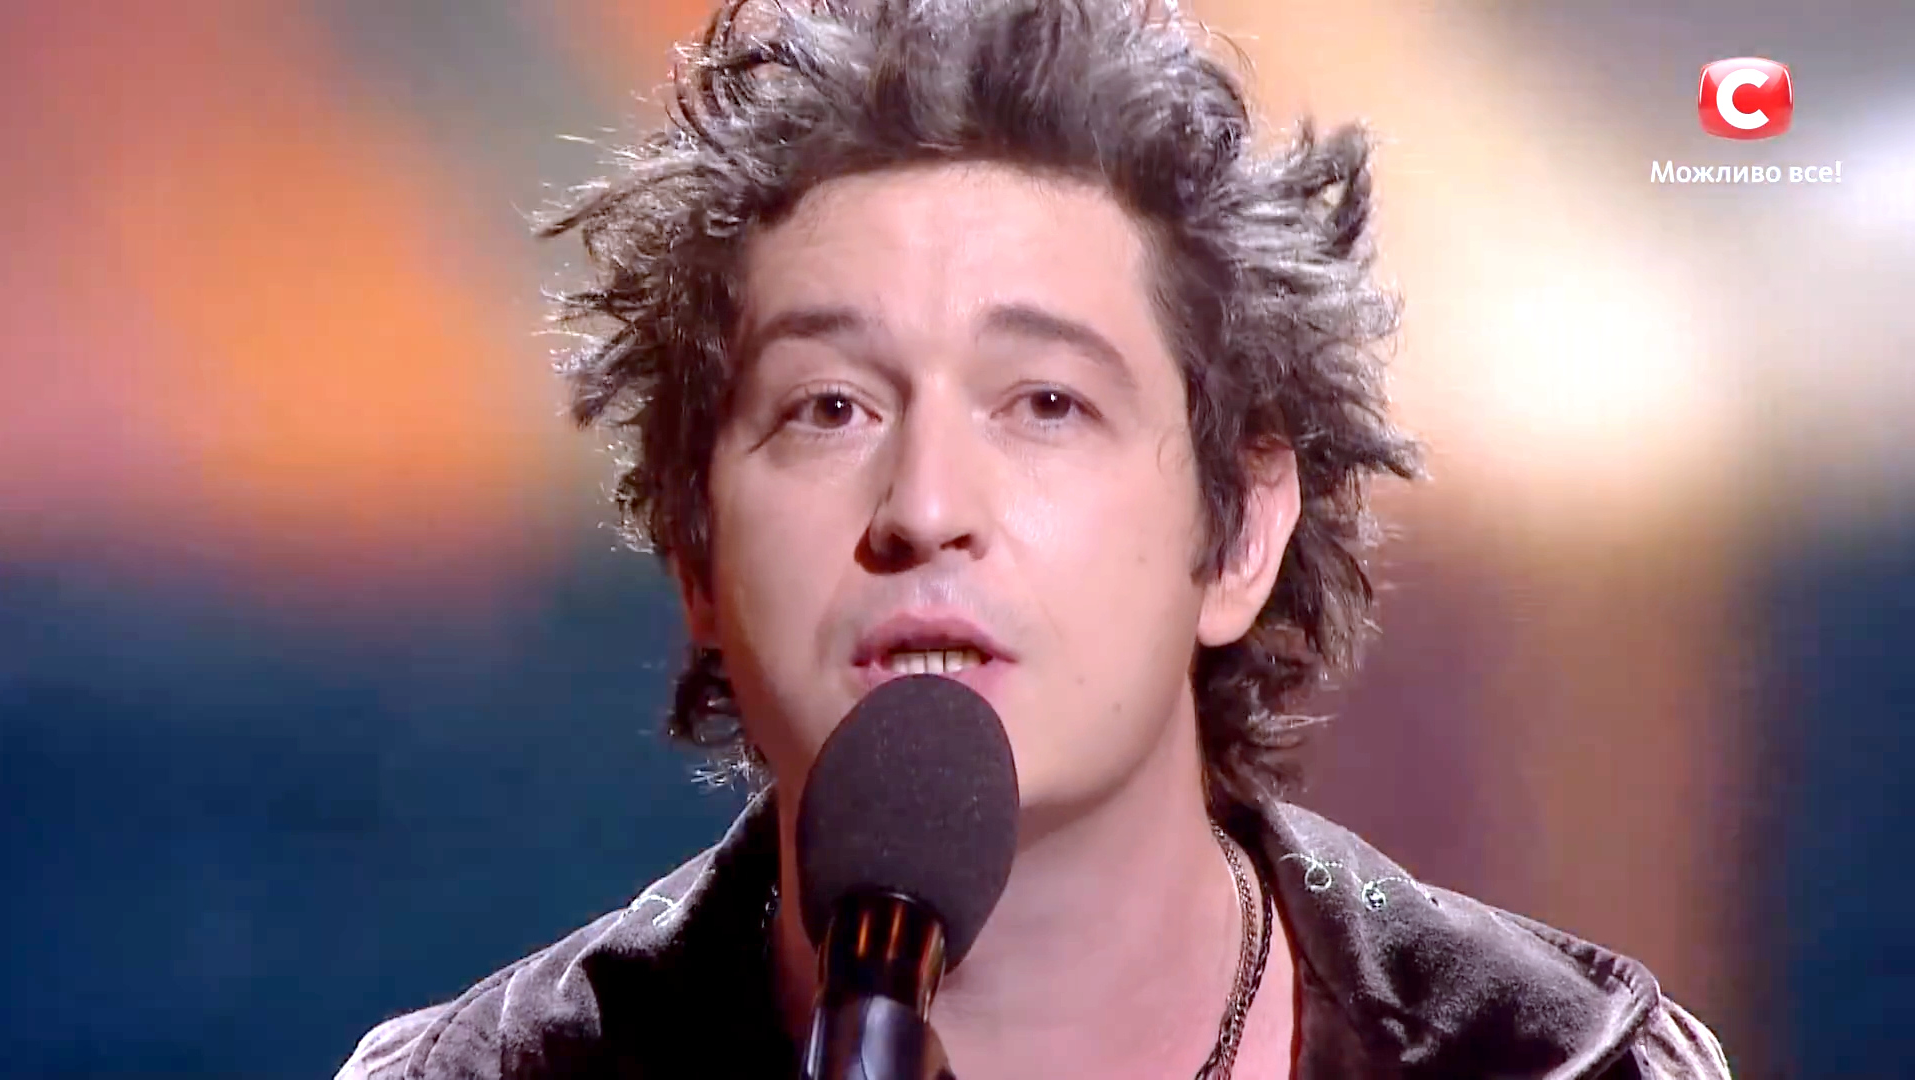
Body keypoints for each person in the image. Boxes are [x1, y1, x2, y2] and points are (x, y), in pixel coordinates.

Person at [339, 0, 1733, 1076]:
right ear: (693, 550)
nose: (924, 506)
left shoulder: (1563, 1062)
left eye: (1046, 404)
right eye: (829, 407)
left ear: (1241, 529)